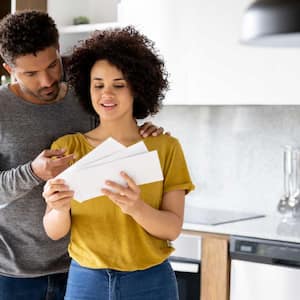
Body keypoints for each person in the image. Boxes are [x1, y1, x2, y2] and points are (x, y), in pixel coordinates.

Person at [0, 10, 167, 300]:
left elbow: (113, 148)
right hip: (14, 275)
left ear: (58, 48)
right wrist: (34, 173)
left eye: (52, 65)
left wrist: (141, 133)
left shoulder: (84, 98)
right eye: (30, 73)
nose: (46, 80)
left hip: (83, 267)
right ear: (8, 68)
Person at [43, 26, 195, 300]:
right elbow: (54, 231)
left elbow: (172, 228)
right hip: (86, 282)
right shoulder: (67, 148)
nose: (106, 95)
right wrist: (58, 208)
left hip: (150, 282)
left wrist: (136, 207)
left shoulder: (164, 147)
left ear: (137, 87)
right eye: (98, 85)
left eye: (119, 85)